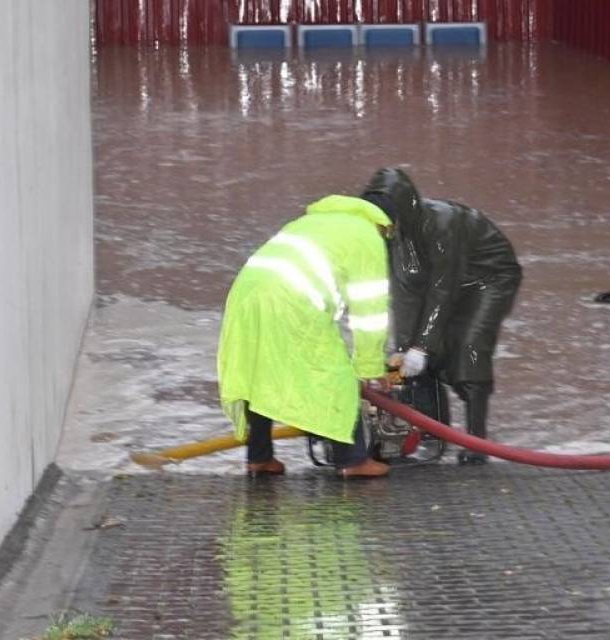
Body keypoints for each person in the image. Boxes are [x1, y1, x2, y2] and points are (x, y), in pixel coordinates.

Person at [217, 194, 394, 478]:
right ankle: (353, 461)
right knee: (334, 374)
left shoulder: (311, 222)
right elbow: (369, 311)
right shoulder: (367, 236)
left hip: (245, 294)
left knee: (258, 372)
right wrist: (371, 367)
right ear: (383, 223)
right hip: (290, 300)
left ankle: (259, 457)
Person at [361, 168, 523, 464]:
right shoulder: (390, 236)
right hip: (437, 282)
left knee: (469, 346)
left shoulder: (442, 224)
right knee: (412, 357)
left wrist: (422, 346)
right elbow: (404, 295)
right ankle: (432, 432)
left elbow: (442, 289)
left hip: (488, 276)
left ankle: (477, 440)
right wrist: (406, 349)